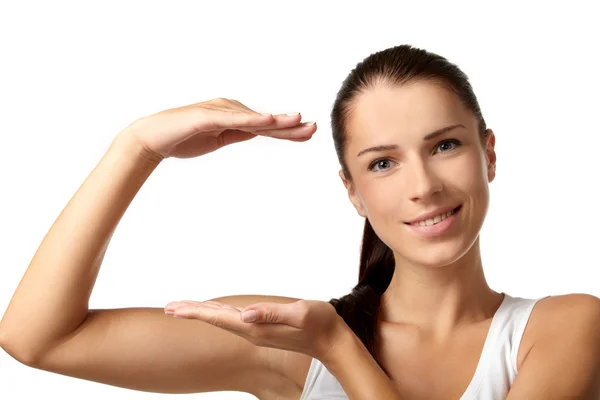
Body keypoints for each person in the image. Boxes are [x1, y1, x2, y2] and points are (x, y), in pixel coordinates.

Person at [0, 44, 599, 399]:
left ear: (488, 153)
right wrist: (136, 148)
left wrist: (338, 349)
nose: (423, 186)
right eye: (383, 163)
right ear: (353, 192)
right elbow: (37, 338)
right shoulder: (292, 343)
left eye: (444, 146)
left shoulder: (567, 328)